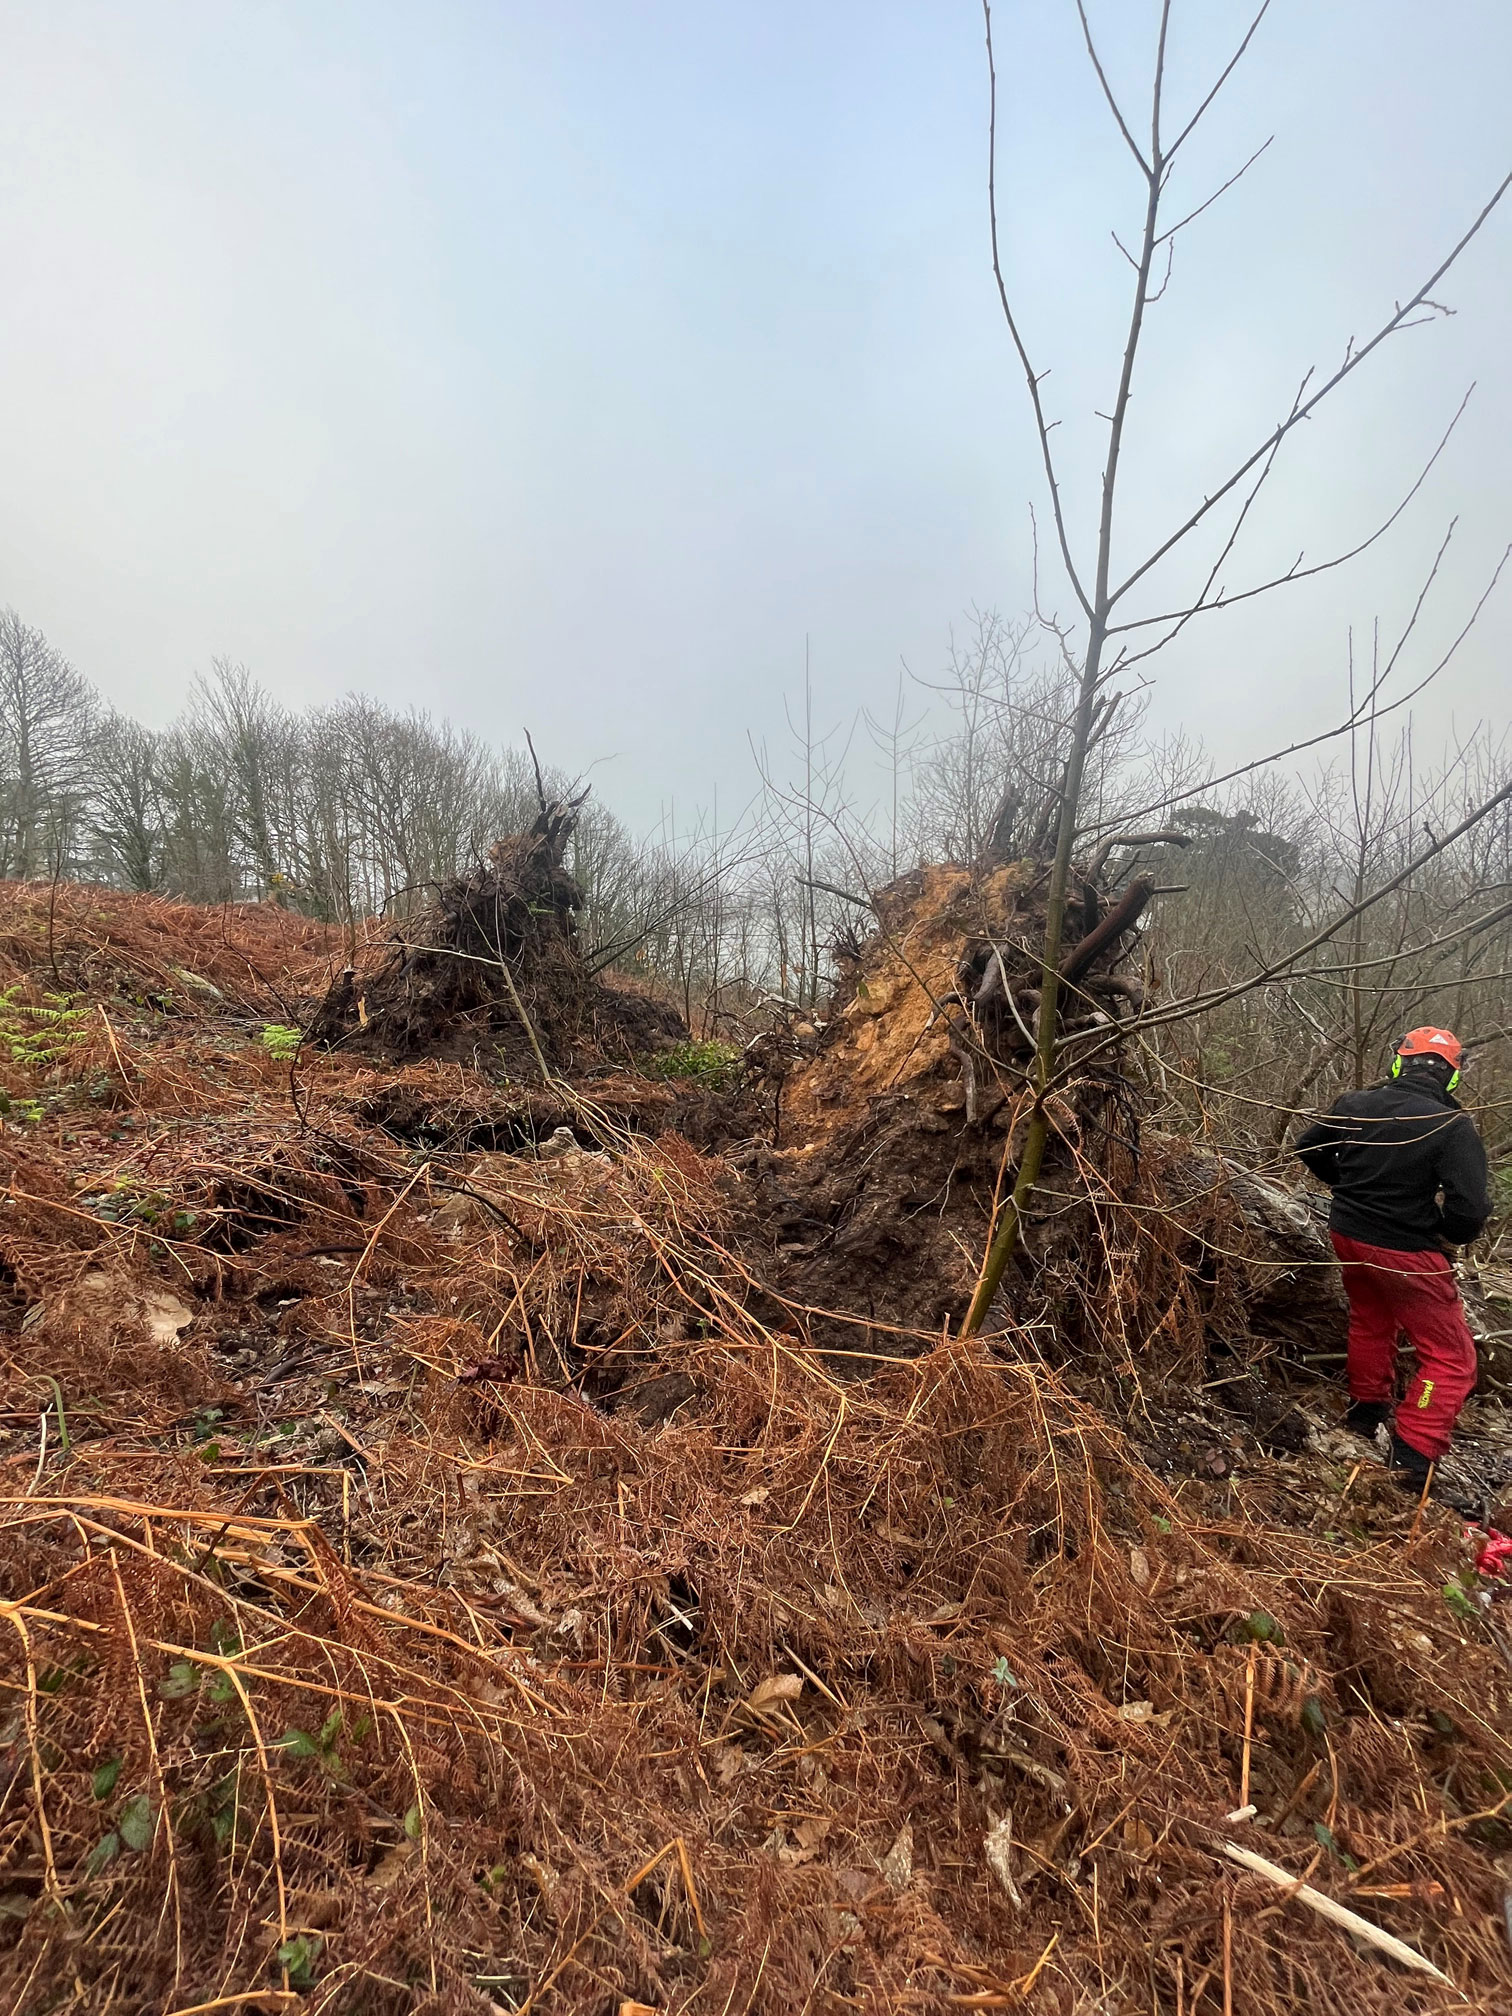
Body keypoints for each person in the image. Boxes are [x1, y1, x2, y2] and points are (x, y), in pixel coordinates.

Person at [1294, 1027, 1490, 1490]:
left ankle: (1366, 1412)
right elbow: (1472, 1208)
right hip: (1406, 1251)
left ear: (1400, 1063)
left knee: (1370, 1320)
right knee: (1450, 1357)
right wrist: (1446, 1233)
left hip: (1348, 1235)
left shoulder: (1355, 1104)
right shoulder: (1451, 1126)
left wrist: (1347, 1187)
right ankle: (1413, 1454)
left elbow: (1308, 1146)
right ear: (1451, 1077)